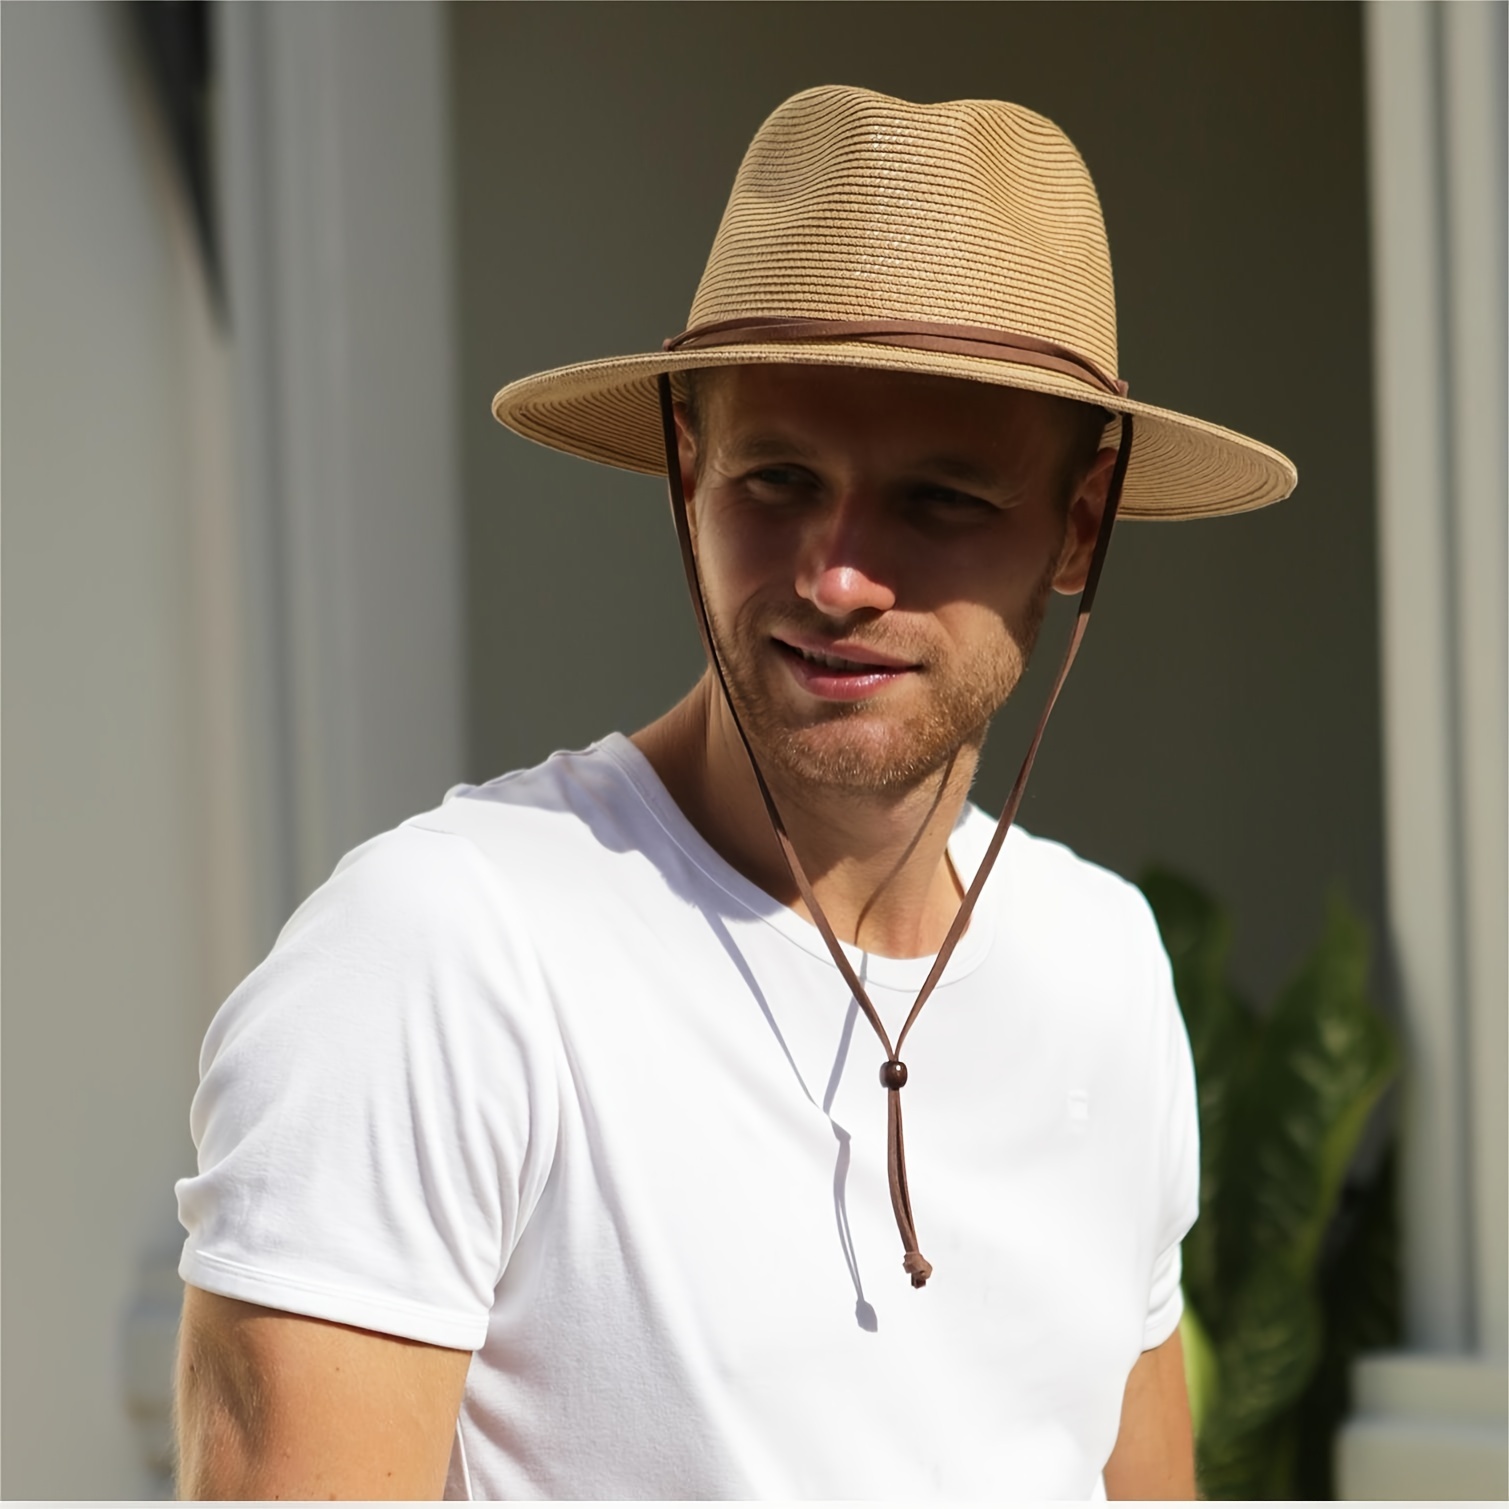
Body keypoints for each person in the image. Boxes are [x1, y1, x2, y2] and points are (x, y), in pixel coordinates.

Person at [174, 85, 1295, 1500]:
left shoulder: (1101, 961)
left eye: (940, 499)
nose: (836, 574)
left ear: (1077, 528)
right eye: (776, 477)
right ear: (690, 474)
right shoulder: (445, 955)